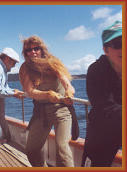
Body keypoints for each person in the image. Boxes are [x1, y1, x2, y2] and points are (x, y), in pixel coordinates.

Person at [19, 35, 77, 167]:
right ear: (25, 53)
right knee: (32, 150)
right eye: (29, 50)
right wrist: (48, 94)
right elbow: (30, 91)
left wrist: (69, 93)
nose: (33, 52)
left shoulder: (53, 62)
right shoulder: (25, 68)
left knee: (62, 148)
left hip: (61, 109)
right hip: (41, 112)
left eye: (36, 48)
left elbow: (67, 84)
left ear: (42, 49)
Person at [81, 21, 122, 167]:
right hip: (102, 130)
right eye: (118, 43)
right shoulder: (96, 70)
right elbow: (105, 107)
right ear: (106, 50)